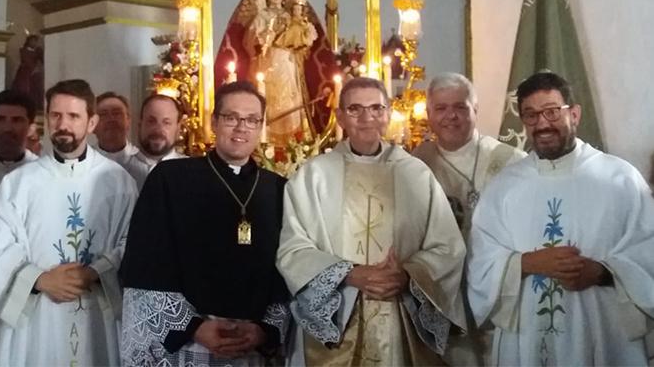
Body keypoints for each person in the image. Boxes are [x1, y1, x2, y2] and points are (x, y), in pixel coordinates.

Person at [468, 71, 654, 365]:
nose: (542, 123)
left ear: (575, 114)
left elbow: (648, 252)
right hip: (526, 336)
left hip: (602, 330)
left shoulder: (620, 179)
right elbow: (481, 260)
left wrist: (603, 272)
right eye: (530, 115)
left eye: (552, 112)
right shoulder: (504, 186)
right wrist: (526, 263)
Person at [277, 77, 466, 365]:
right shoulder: (313, 176)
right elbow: (293, 250)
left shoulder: (416, 174)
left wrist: (407, 276)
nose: (367, 118)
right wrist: (349, 274)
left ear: (389, 114)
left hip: (400, 318)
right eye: (355, 109)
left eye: (377, 108)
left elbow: (447, 248)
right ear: (339, 116)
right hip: (339, 315)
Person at [120, 81, 290, 366]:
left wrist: (264, 330)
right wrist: (194, 328)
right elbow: (146, 263)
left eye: (252, 120)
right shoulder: (171, 178)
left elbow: (286, 266)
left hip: (252, 347)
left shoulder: (277, 188)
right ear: (214, 122)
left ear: (261, 126)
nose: (241, 127)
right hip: (187, 344)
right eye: (231, 117)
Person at [0, 79, 137, 366]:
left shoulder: (118, 182)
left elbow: (133, 243)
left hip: (97, 318)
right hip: (37, 318)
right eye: (56, 115)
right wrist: (39, 279)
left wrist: (95, 272)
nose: (63, 124)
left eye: (74, 116)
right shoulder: (18, 183)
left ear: (91, 123)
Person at [411, 72, 525, 365]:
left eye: (460, 107)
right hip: (441, 286)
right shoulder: (415, 164)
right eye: (441, 108)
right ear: (428, 114)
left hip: (498, 284)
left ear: (475, 110)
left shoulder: (511, 162)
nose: (451, 116)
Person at [243, 0, 314, 146]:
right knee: (270, 94)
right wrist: (264, 36)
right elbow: (251, 39)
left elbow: (300, 35)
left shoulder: (291, 15)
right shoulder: (261, 16)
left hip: (287, 59)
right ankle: (266, 138)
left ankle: (294, 138)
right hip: (269, 58)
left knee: (289, 94)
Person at [123, 93, 185, 189]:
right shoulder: (120, 170)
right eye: (151, 121)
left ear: (178, 128)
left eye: (166, 123)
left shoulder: (192, 172)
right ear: (140, 125)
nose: (158, 129)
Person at [93, 91, 138, 165]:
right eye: (103, 115)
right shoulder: (82, 163)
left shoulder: (145, 164)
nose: (111, 119)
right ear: (92, 124)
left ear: (128, 120)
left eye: (117, 113)